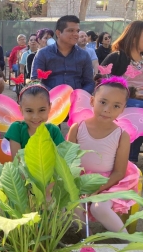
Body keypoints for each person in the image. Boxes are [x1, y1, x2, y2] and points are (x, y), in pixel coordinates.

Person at [68, 76, 140, 234]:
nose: (108, 109)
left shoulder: (122, 135)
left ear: (123, 109)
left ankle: (129, 243)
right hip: (80, 179)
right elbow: (68, 161)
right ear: (92, 101)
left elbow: (119, 172)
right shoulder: (77, 128)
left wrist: (97, 188)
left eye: (116, 106)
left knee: (99, 207)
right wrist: (78, 185)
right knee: (71, 204)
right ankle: (86, 238)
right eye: (103, 102)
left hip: (111, 182)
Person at [101, 20, 143, 164]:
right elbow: (102, 83)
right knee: (137, 107)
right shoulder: (117, 57)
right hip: (125, 103)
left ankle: (132, 158)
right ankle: (128, 159)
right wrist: (130, 92)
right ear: (134, 36)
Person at [30, 15, 94, 94]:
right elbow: (35, 81)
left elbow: (89, 83)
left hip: (77, 102)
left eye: (77, 31)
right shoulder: (43, 54)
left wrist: (79, 95)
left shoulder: (84, 55)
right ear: (58, 33)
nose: (76, 34)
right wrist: (54, 95)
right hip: (50, 102)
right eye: (71, 30)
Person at [5, 83, 64, 159]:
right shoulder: (16, 129)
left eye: (42, 110)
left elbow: (61, 160)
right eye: (29, 111)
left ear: (49, 107)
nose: (35, 117)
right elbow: (18, 164)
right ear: (21, 110)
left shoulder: (54, 131)